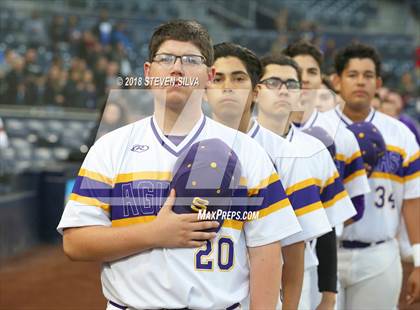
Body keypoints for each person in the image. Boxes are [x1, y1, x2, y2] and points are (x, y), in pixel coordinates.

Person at [57, 20, 301, 309]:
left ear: (209, 76)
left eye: (190, 60)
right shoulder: (110, 148)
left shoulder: (248, 152)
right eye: (166, 59)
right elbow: (75, 243)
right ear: (149, 73)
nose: (177, 69)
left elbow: (266, 251)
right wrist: (154, 234)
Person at [206, 42, 332, 309]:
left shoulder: (285, 154)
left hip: (264, 295)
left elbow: (296, 245)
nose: (227, 86)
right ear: (205, 90)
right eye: (218, 79)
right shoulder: (187, 148)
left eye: (238, 78)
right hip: (202, 291)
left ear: (255, 92)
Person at [331, 43, 420, 309]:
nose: (361, 82)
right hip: (326, 252)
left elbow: (414, 199)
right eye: (353, 74)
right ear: (337, 80)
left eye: (368, 76)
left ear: (378, 82)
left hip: (379, 251)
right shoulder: (319, 129)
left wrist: (419, 260)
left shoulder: (400, 134)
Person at [283, 40, 371, 309]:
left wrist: (318, 228)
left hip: (318, 254)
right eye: (297, 72)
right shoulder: (261, 130)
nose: (305, 78)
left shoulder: (338, 134)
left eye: (312, 71)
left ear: (321, 78)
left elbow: (356, 205)